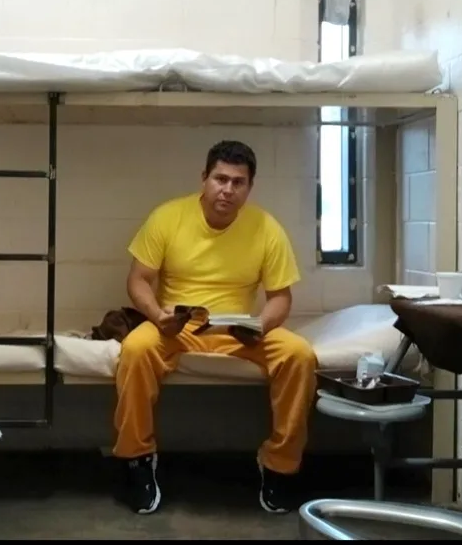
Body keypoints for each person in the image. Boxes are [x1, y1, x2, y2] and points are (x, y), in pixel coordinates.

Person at [112, 139, 318, 516]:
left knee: (299, 354)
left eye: (238, 182)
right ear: (204, 179)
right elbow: (138, 279)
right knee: (136, 349)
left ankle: (280, 465)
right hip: (176, 326)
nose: (228, 189)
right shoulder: (168, 217)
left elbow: (280, 297)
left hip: (237, 330)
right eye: (220, 179)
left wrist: (260, 325)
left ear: (249, 187)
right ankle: (136, 460)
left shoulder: (266, 228)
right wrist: (158, 316)